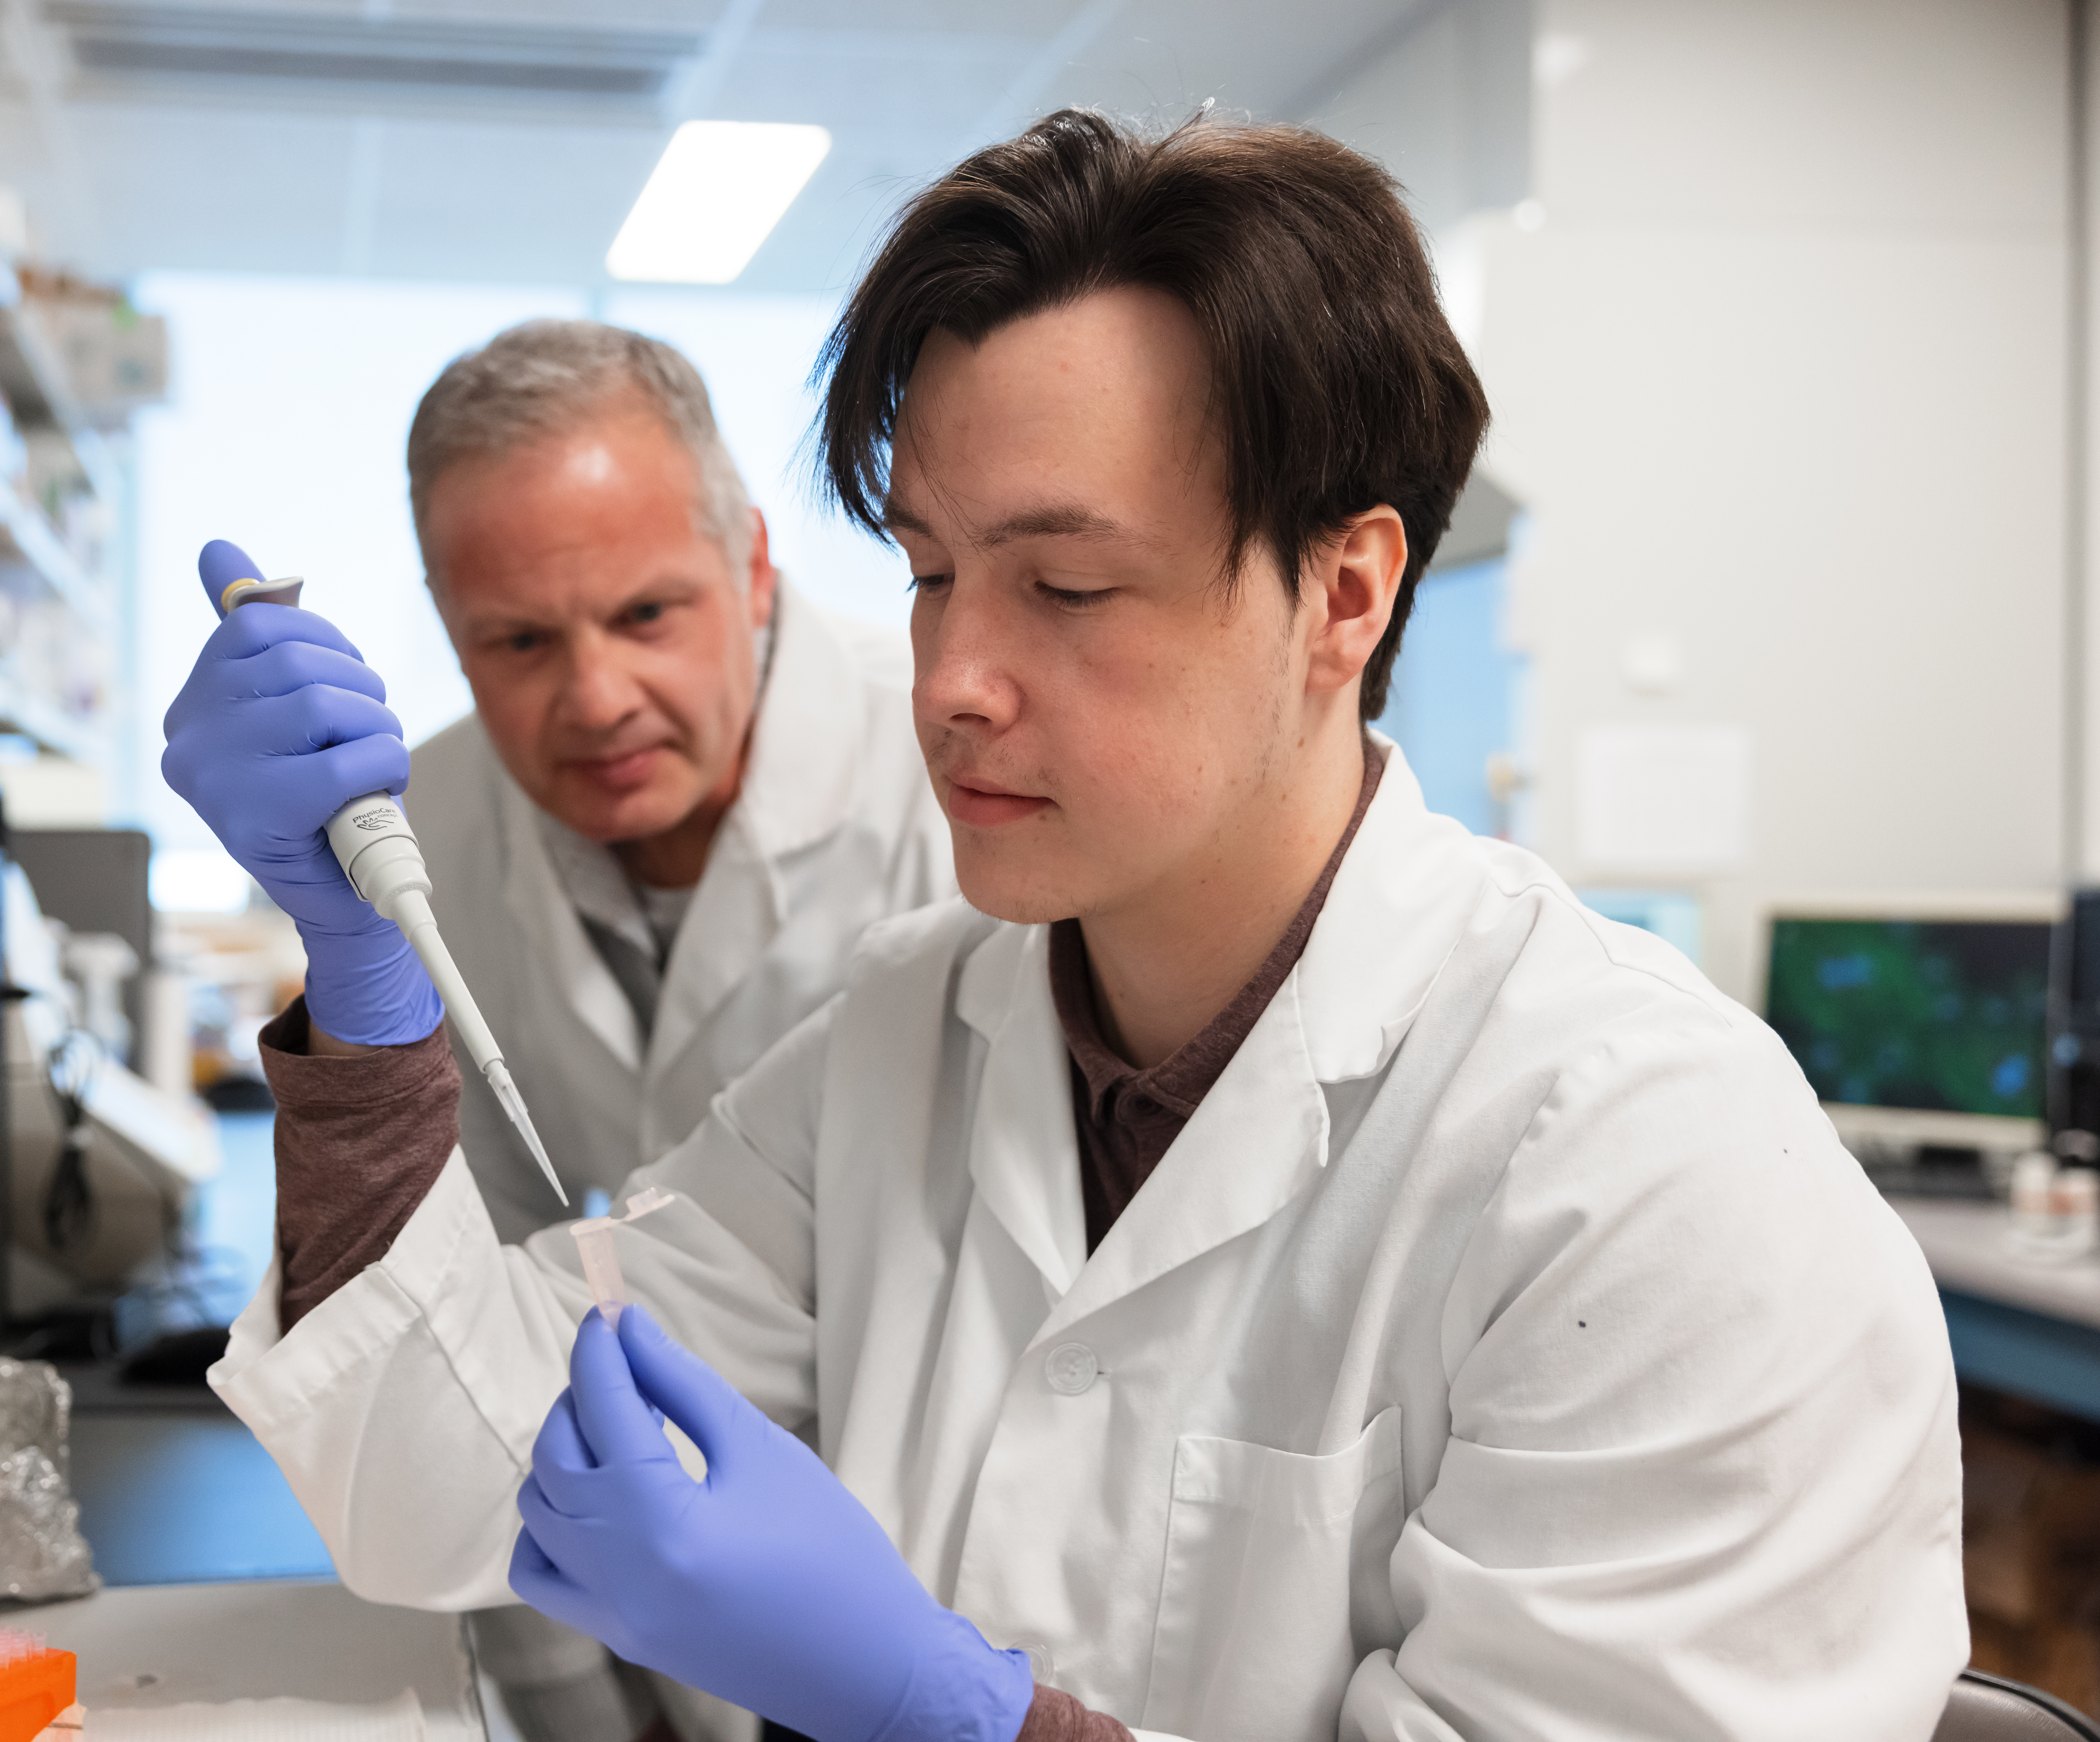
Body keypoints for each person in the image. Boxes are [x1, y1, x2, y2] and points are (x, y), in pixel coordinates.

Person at [182, 112, 1967, 1742]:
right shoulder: (895, 1048)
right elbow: (439, 1467)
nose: (952, 681)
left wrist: (951, 1712)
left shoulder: (1658, 1172)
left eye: (1067, 585)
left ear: (1343, 592)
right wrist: (361, 977)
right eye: (934, 570)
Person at [163, 321, 950, 1742]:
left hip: (936, 1561)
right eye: (518, 640)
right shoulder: (425, 832)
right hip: (609, 1538)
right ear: (446, 624)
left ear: (755, 567)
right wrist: (570, 1710)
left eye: (647, 615)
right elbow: (473, 1337)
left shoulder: (951, 780)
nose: (593, 701)